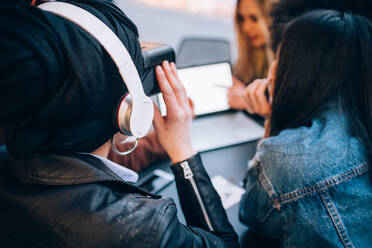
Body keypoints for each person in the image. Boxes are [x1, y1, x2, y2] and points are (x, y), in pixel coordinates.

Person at [0, 1, 239, 247]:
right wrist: (183, 150)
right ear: (129, 112)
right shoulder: (144, 227)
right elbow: (225, 243)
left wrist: (159, 142)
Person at [239, 9, 372, 247]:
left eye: (279, 57)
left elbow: (252, 214)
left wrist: (273, 121)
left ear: (300, 70)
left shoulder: (286, 158)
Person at [228, 0, 273, 112]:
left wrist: (249, 101)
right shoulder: (246, 62)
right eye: (242, 19)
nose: (246, 27)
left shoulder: (288, 64)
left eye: (254, 18)